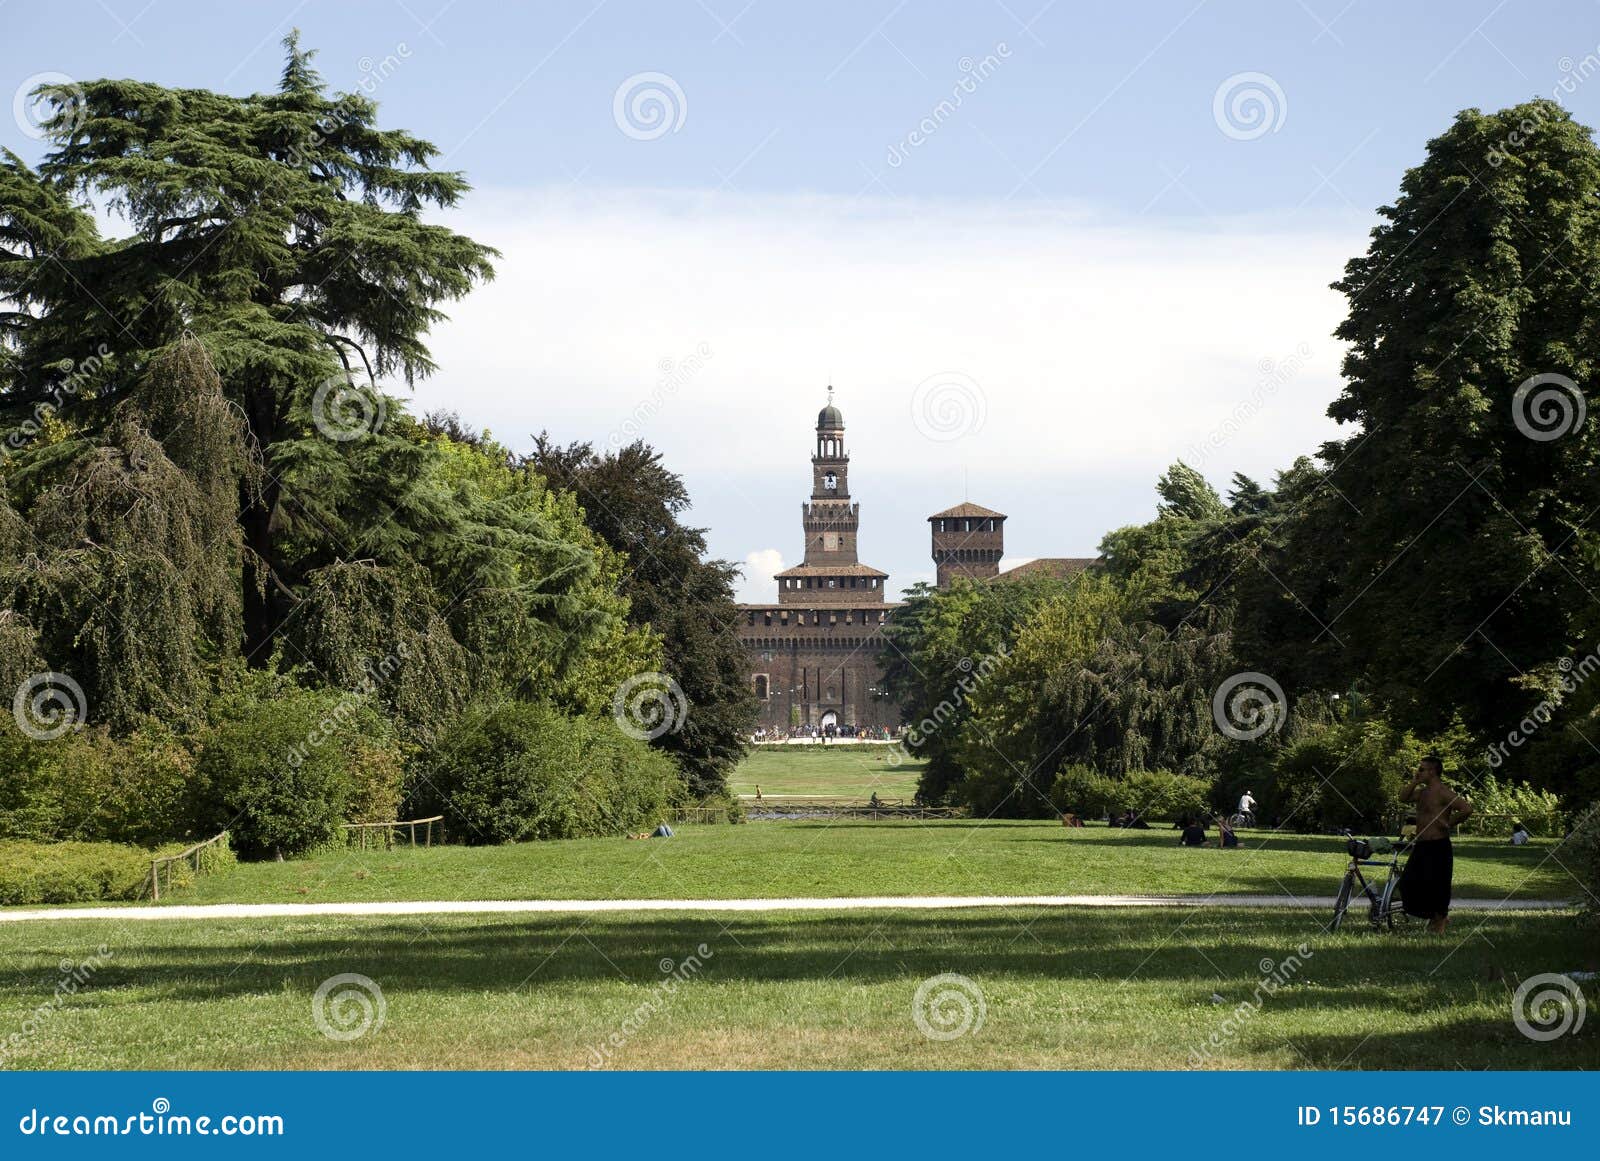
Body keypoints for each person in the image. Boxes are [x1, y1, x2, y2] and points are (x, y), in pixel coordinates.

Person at [1397, 754, 1474, 933]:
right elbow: (1403, 797)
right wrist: (1414, 782)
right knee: (1408, 882)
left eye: (1422, 769)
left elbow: (1466, 809)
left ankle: (1440, 920)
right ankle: (1434, 917)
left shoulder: (1442, 792)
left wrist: (1449, 823)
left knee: (1437, 885)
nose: (1418, 771)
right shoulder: (1422, 792)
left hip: (1438, 845)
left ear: (1432, 771)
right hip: (1421, 844)